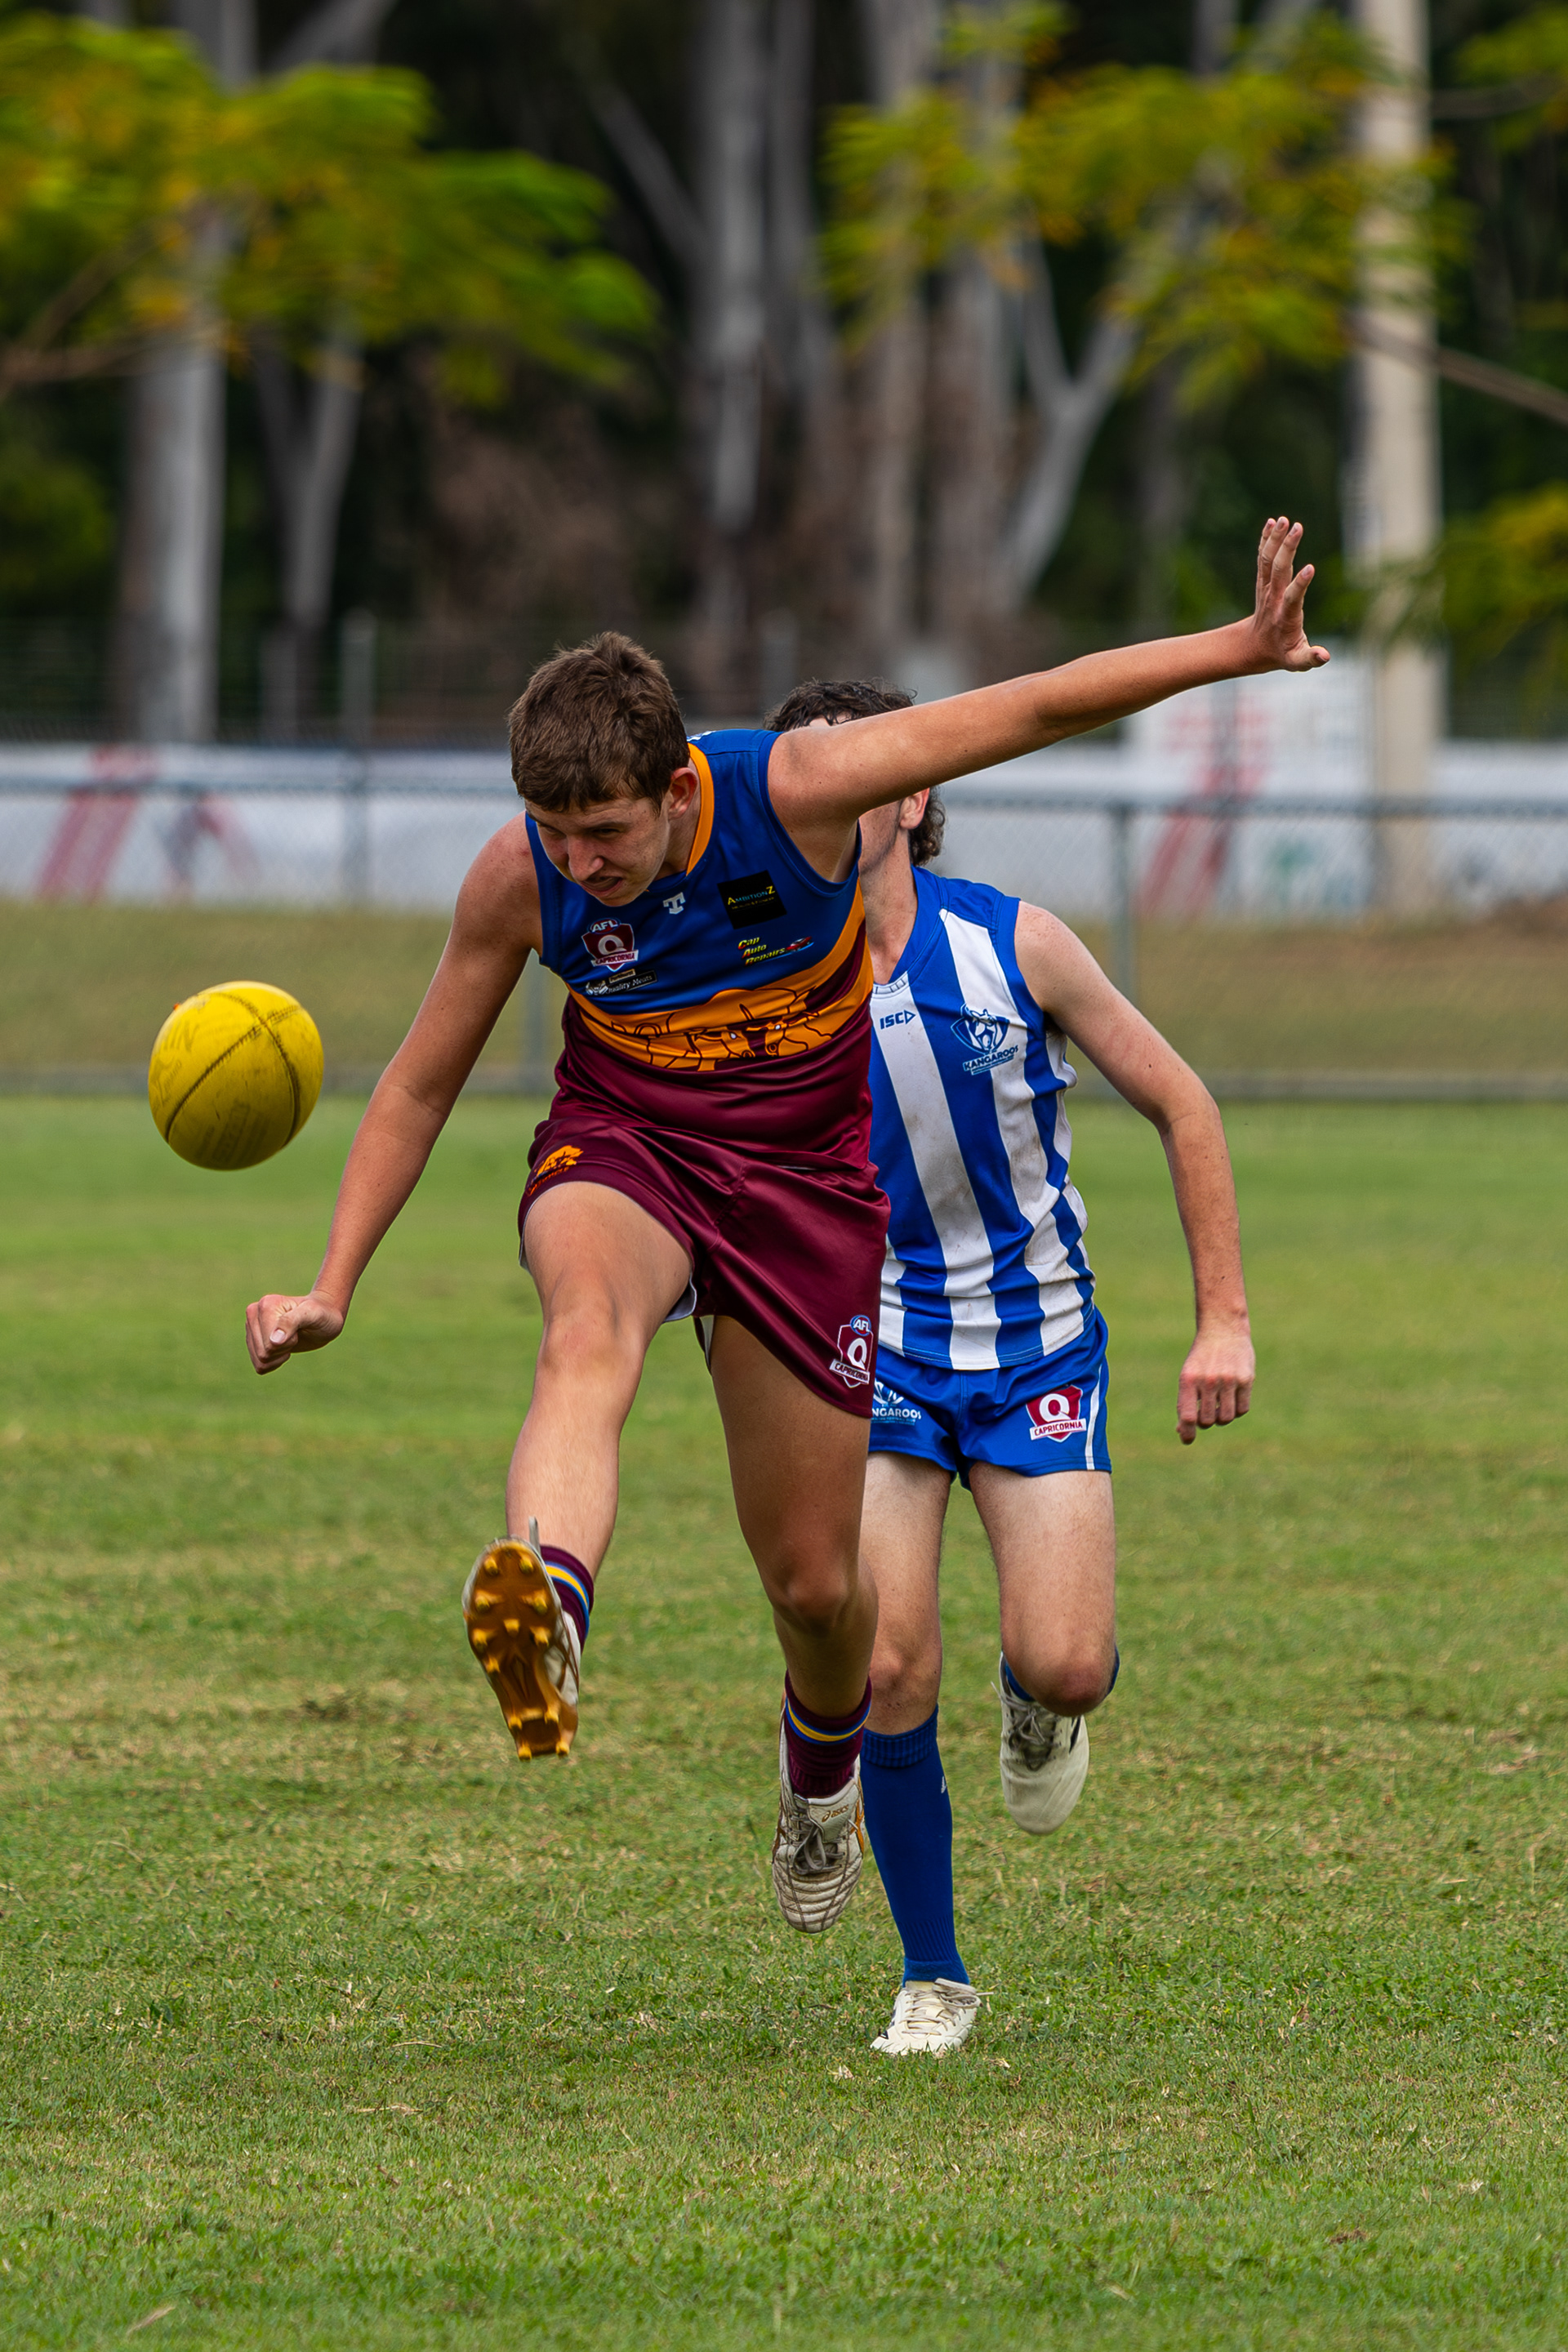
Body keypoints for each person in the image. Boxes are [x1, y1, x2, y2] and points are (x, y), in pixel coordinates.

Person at [244, 519, 1318, 1940]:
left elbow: (1032, 705)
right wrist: (332, 1282)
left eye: (605, 833)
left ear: (678, 788)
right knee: (585, 1332)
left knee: (818, 1589)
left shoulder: (797, 791)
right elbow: (420, 1083)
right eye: (554, 831)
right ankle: (547, 1610)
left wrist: (1237, 650)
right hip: (629, 1145)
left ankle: (819, 1779)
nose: (580, 861)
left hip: (805, 1193)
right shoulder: (522, 877)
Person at [761, 675, 1256, 2053]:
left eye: (864, 770)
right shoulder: (766, 978)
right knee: (889, 1660)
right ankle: (934, 1975)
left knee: (1069, 1661)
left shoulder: (1014, 942)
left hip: (1037, 1340)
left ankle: (1042, 1708)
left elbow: (1183, 1103)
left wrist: (1222, 1318)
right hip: (877, 1349)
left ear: (916, 792)